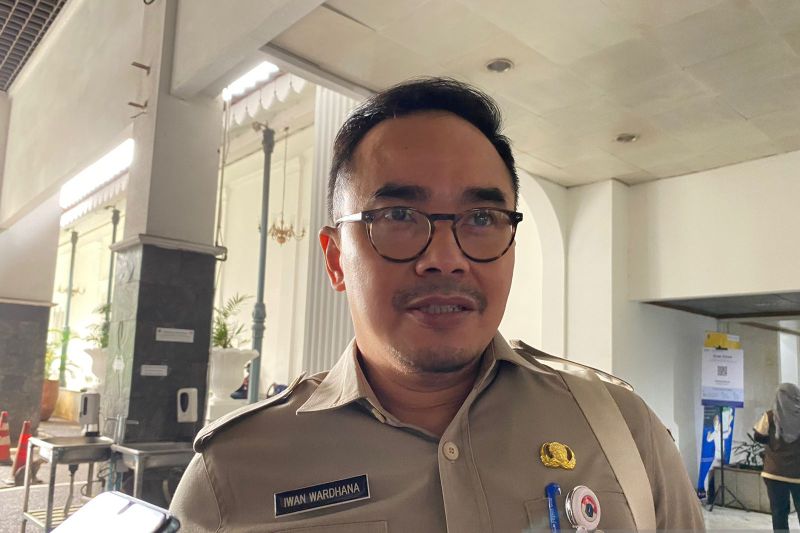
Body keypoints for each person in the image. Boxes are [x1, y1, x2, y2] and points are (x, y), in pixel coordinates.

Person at [170, 78, 704, 531]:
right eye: (399, 216)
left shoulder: (621, 429)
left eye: (481, 218)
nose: (446, 260)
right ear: (335, 260)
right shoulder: (231, 477)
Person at [753, 383, 800, 531]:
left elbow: (758, 436)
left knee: (779, 513)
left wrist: (774, 443)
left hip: (774, 473)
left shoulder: (770, 416)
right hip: (798, 474)